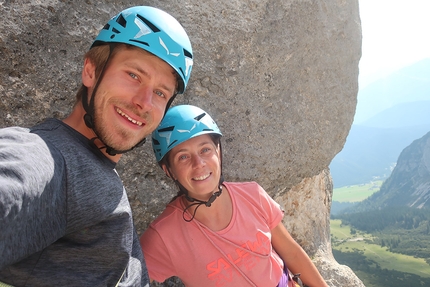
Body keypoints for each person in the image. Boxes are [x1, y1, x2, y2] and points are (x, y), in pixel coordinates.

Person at [0, 6, 193, 287]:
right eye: (134, 75)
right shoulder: (50, 159)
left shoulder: (95, 169)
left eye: (161, 93)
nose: (144, 102)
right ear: (90, 70)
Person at [140, 105, 329, 287]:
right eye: (183, 157)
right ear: (169, 171)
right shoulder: (164, 236)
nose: (199, 164)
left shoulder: (252, 195)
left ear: (218, 152)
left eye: (205, 149)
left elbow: (291, 253)